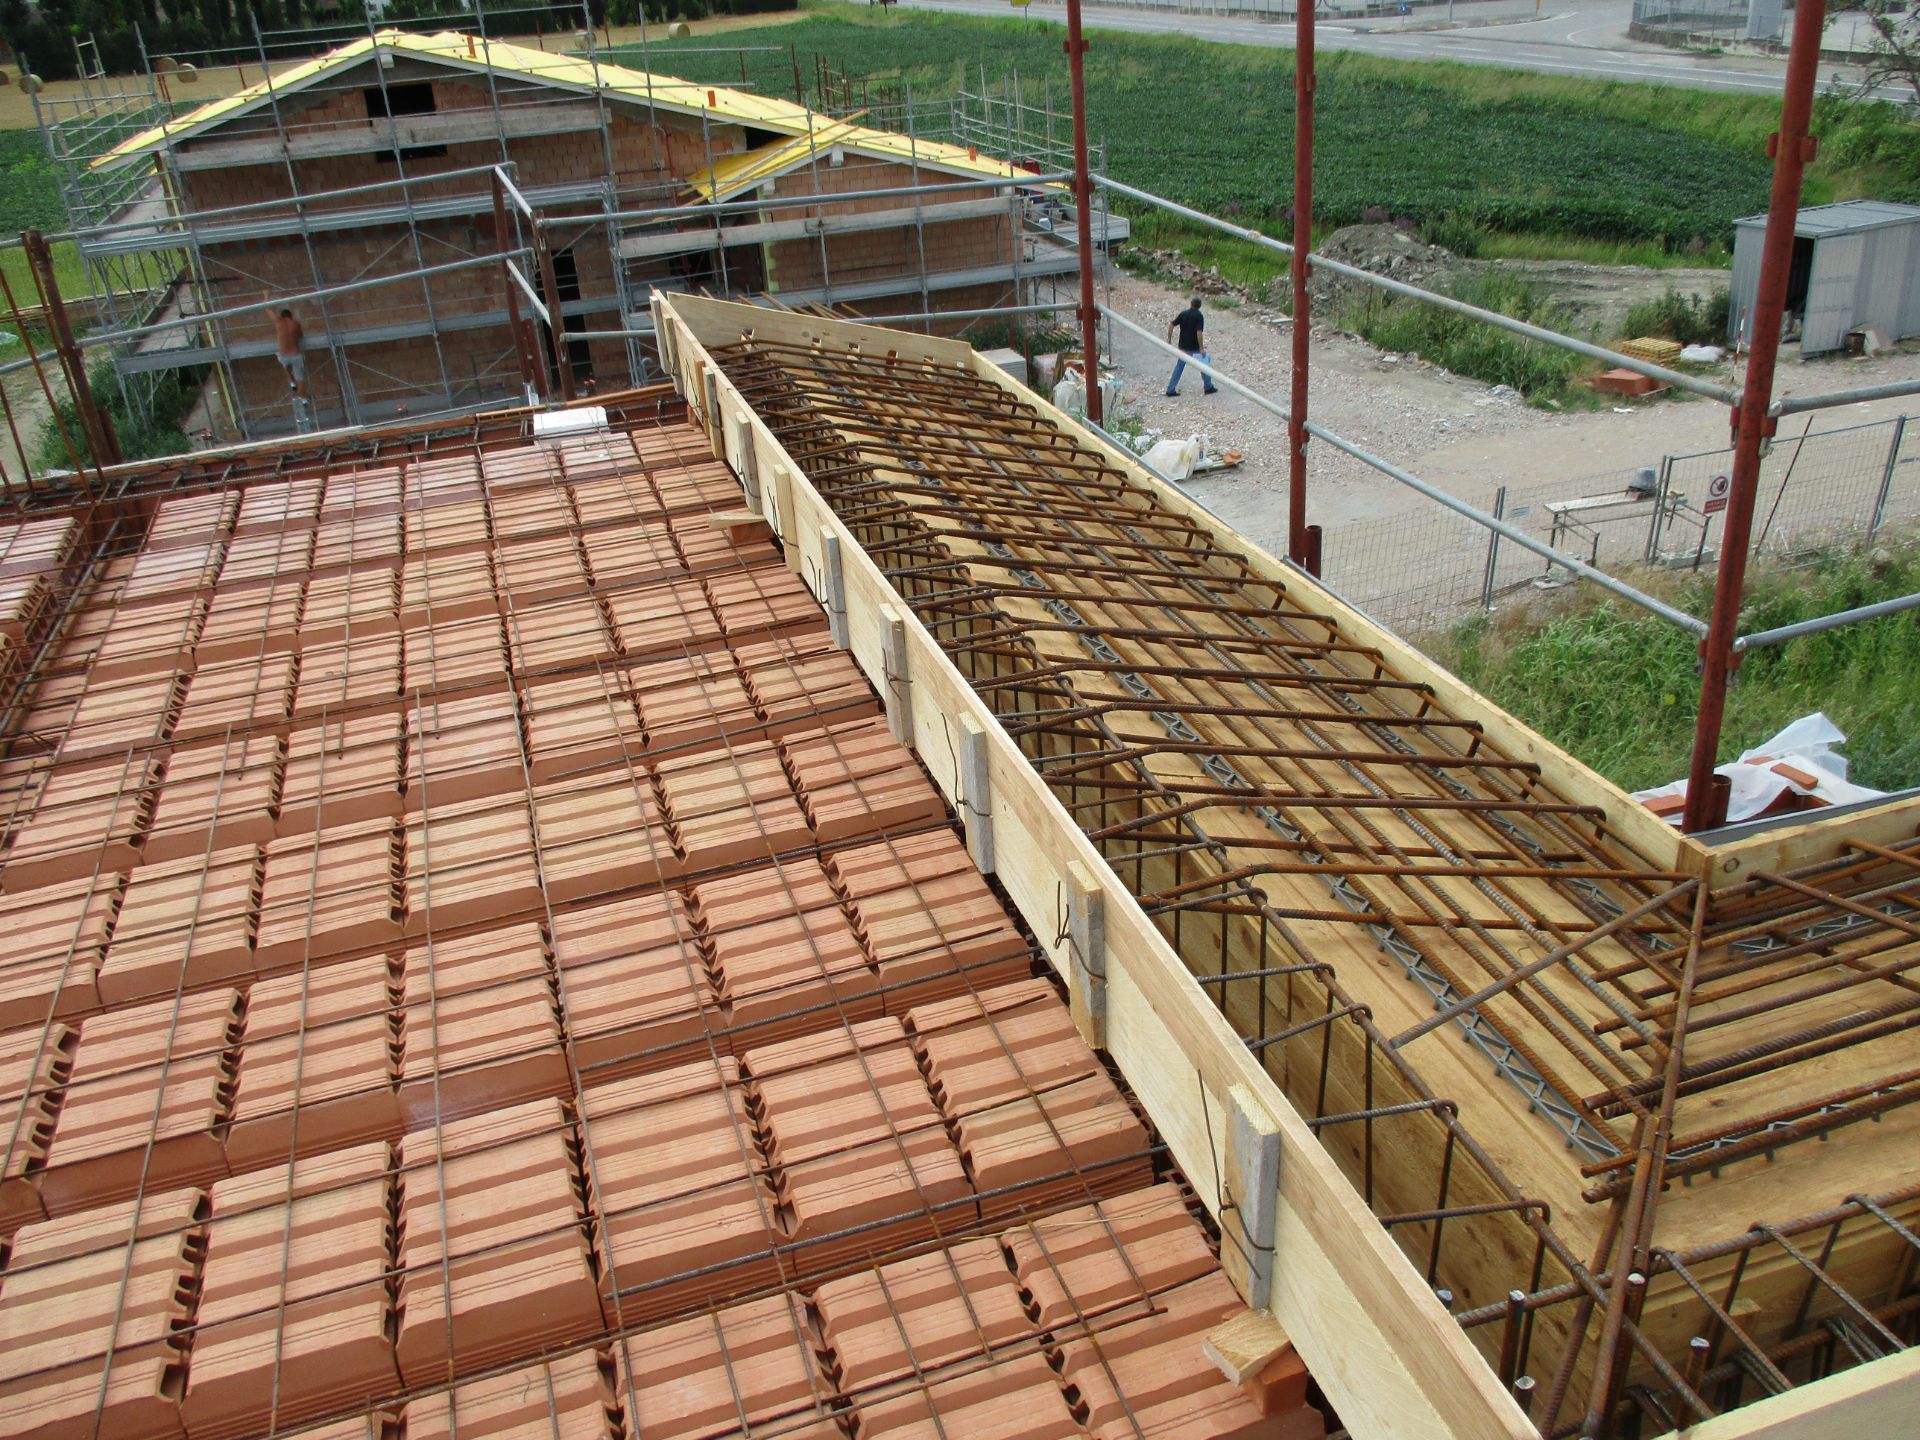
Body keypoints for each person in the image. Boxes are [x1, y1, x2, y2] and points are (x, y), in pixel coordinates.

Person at [1165, 297, 1216, 396]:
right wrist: (1201, 347)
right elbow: (1199, 332)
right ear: (1199, 306)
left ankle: (1170, 389)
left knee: (1179, 368)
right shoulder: (1199, 316)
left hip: (1183, 346)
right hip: (1194, 347)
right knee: (1204, 366)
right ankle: (1208, 386)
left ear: (1191, 304)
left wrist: (1169, 339)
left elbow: (1171, 325)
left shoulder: (1183, 313)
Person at [267, 291, 306, 398]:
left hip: (284, 354)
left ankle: (292, 383)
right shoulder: (296, 324)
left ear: (282, 316)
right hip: (295, 353)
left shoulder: (278, 322)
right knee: (300, 378)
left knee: (285, 367)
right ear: (291, 316)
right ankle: (302, 398)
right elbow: (301, 336)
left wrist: (266, 295)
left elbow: (267, 309)